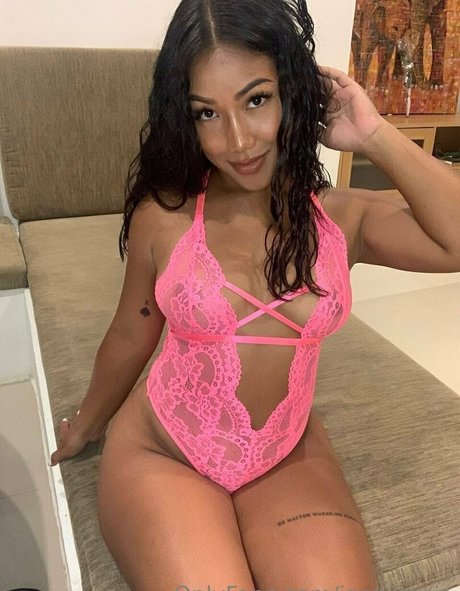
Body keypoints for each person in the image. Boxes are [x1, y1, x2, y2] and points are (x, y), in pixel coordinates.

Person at [50, 0, 460, 589]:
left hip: (286, 453)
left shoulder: (341, 220)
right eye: (207, 113)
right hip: (165, 452)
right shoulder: (164, 218)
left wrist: (373, 134)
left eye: (256, 99)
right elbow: (130, 332)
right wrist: (87, 425)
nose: (237, 140)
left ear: (292, 91)